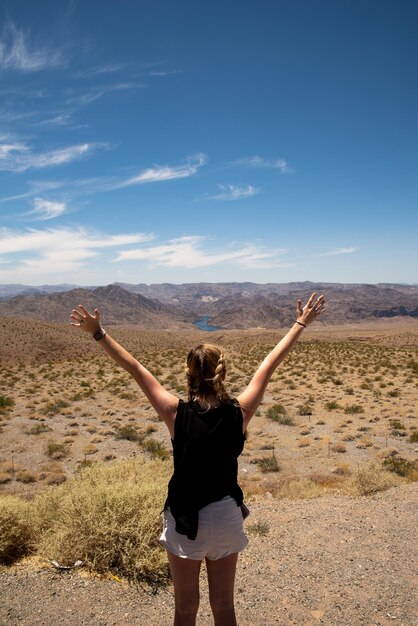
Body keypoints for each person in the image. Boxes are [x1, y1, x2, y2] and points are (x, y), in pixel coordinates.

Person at [70, 291, 325, 626]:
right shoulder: (240, 412)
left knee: (185, 609)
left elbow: (134, 367)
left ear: (189, 375)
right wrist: (299, 324)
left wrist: (98, 333)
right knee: (224, 606)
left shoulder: (175, 412)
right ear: (221, 373)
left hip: (184, 519)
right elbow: (269, 364)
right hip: (225, 516)